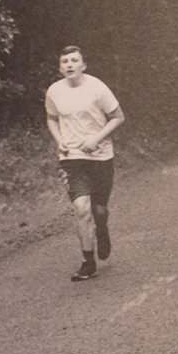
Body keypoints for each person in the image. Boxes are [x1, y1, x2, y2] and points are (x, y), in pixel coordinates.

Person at [44, 45, 126, 281]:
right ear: (60, 68)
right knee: (81, 209)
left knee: (99, 210)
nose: (69, 65)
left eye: (74, 60)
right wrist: (59, 140)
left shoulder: (97, 88)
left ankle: (102, 229)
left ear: (83, 65)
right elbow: (51, 118)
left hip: (100, 156)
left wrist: (96, 139)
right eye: (65, 61)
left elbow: (118, 117)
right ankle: (88, 264)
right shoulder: (54, 91)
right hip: (72, 157)